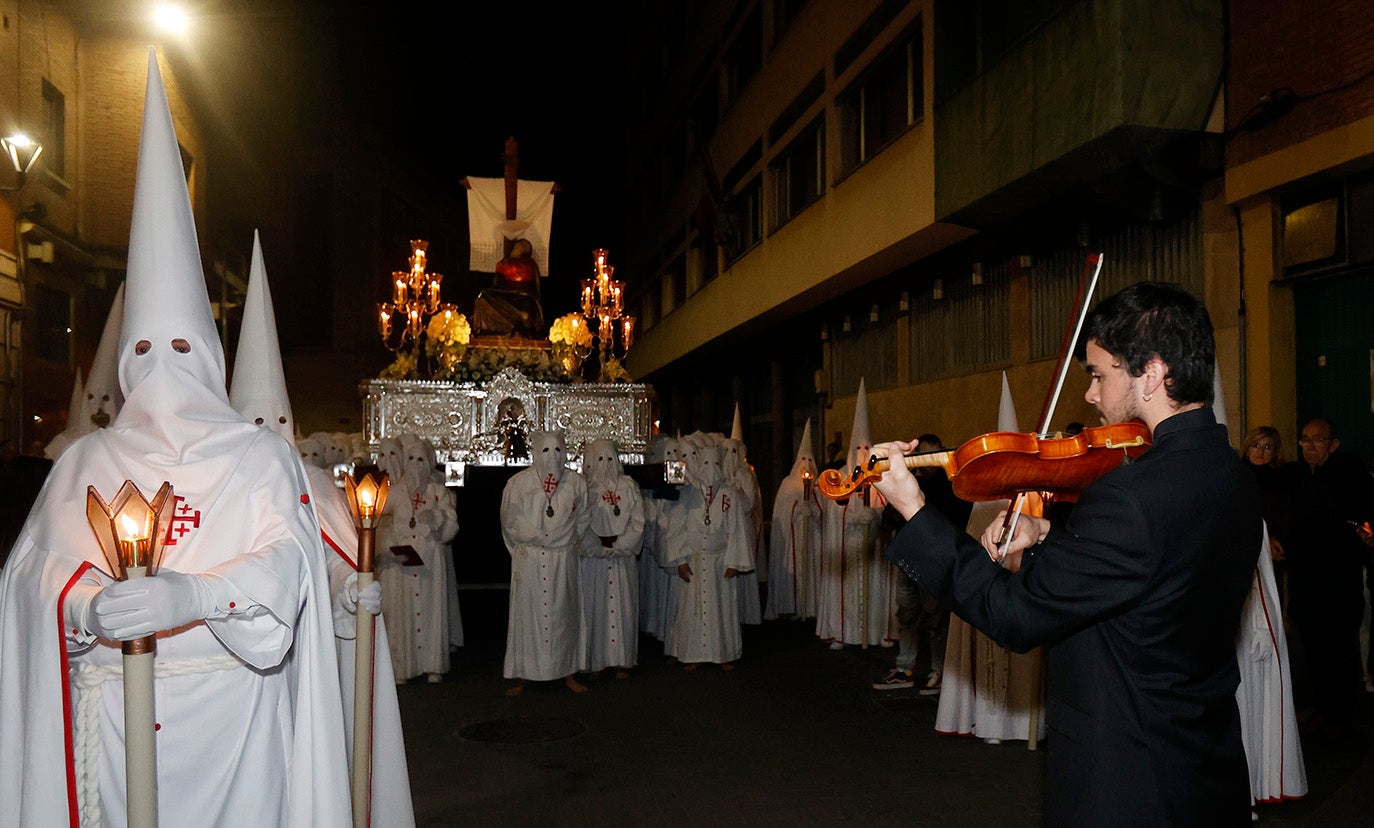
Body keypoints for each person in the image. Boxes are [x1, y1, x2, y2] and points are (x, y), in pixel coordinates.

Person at [0, 52, 351, 824]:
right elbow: (27, 577)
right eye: (145, 351)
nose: (164, 369)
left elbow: (289, 569)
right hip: (113, 734)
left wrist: (194, 593)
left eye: (183, 349)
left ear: (214, 358)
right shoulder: (87, 461)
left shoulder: (259, 460)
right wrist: (86, 607)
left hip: (233, 726)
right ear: (124, 363)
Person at [871, 281, 1261, 825]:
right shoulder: (1232, 475)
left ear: (1151, 374)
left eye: (1100, 374)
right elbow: (1154, 579)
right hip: (1203, 764)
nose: (1090, 395)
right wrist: (1049, 535)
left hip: (1126, 782)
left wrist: (915, 513)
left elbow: (1014, 615)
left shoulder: (1127, 496)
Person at [228, 230, 415, 824]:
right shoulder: (210, 490)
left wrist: (345, 590)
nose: (267, 432)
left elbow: (335, 557)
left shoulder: (314, 487)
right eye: (254, 420)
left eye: (277, 419)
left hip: (309, 671)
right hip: (232, 682)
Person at [1284, 417, 1374, 731]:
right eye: (1304, 439)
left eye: (1318, 439)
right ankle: (1324, 707)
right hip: (1306, 581)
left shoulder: (1348, 473)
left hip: (1337, 581)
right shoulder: (1296, 476)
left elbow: (1364, 520)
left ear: (1333, 444)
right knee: (1314, 647)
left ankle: (1340, 713)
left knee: (1338, 647)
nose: (1310, 446)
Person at [875, 433, 972, 695]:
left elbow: (954, 523)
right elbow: (890, 518)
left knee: (935, 617)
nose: (928, 462)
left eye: (933, 455)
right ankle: (905, 667)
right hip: (908, 558)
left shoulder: (952, 486)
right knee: (905, 613)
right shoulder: (914, 482)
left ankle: (939, 671)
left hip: (932, 561)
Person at [501, 429, 590, 695]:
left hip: (562, 560)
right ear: (535, 453)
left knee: (565, 616)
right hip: (530, 560)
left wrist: (566, 540)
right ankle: (524, 674)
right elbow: (508, 522)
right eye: (546, 450)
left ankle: (567, 671)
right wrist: (529, 543)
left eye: (558, 450)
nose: (552, 456)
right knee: (527, 619)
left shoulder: (576, 483)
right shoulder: (518, 483)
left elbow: (583, 519)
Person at [664, 439, 753, 669]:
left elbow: (736, 529)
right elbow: (677, 528)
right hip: (694, 559)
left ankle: (723, 654)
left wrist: (735, 560)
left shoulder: (729, 495)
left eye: (715, 463)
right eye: (705, 462)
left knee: (721, 610)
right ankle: (692, 655)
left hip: (719, 560)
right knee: (691, 611)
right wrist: (680, 561)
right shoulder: (688, 493)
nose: (710, 468)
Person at [378, 434, 459, 683]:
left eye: (421, 459)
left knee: (430, 609)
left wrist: (435, 518)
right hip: (403, 561)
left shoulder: (439, 492)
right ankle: (403, 667)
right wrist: (389, 546)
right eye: (411, 458)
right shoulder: (395, 492)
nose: (416, 464)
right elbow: (380, 519)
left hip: (430, 559)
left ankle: (431, 665)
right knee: (403, 613)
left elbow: (452, 525)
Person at [816, 379, 890, 649]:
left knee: (875, 589)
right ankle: (844, 633)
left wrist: (877, 516)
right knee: (846, 589)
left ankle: (874, 634)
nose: (862, 453)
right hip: (848, 548)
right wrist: (849, 518)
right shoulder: (842, 479)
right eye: (857, 448)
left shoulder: (882, 479)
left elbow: (891, 509)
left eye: (866, 448)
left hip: (873, 551)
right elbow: (833, 512)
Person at [579, 438, 645, 678]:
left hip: (621, 557)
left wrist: (621, 545)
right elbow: (579, 521)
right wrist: (593, 545)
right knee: (593, 607)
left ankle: (620, 659)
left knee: (622, 606)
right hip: (594, 558)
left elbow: (638, 520)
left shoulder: (628, 487)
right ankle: (593, 660)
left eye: (610, 458)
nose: (605, 464)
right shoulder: (585, 488)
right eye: (600, 459)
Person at [764, 418, 822, 621]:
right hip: (791, 541)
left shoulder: (818, 488)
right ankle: (790, 606)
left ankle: (810, 607)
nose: (806, 465)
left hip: (812, 539)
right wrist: (797, 511)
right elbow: (782, 511)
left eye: (810, 460)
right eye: (803, 460)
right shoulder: (788, 484)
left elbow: (823, 513)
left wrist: (813, 512)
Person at [472, 237, 545, 338]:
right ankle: (484, 332)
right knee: (483, 297)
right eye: (519, 245)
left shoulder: (528, 264)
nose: (520, 248)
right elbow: (498, 282)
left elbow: (507, 268)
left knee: (525, 314)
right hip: (503, 296)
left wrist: (510, 259)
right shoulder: (505, 262)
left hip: (523, 299)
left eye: (524, 247)